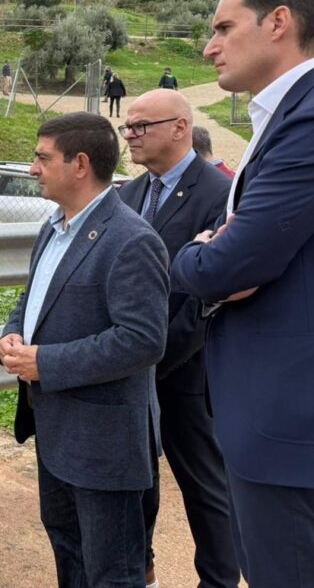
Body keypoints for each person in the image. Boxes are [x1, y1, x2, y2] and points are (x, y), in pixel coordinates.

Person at [172, 0, 314, 587]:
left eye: (223, 28)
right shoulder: (297, 113)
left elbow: (227, 264)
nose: (209, 47)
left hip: (292, 404)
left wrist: (193, 253)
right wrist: (223, 252)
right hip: (274, 397)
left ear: (278, 22)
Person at [0, 111, 169, 588]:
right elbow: (34, 300)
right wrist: (13, 333)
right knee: (69, 557)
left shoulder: (132, 239)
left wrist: (45, 362)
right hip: (57, 432)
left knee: (112, 571)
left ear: (79, 164)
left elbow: (142, 340)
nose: (32, 168)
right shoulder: (53, 227)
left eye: (42, 158)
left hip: (104, 443)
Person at [118, 91, 238, 588]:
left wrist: (154, 355)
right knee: (135, 479)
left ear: (180, 127)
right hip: (130, 367)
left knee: (204, 487)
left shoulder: (219, 194)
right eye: (127, 127)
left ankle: (218, 580)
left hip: (188, 368)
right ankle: (139, 569)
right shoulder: (128, 193)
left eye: (141, 126)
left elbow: (212, 290)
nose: (130, 136)